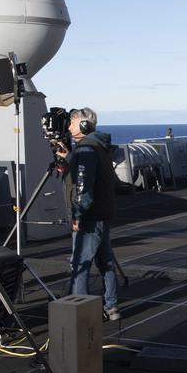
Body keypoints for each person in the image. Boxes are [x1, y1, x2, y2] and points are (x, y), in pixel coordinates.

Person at [58, 107, 121, 321]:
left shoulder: (86, 149)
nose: (68, 127)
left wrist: (77, 215)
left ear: (84, 125)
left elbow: (83, 187)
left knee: (80, 263)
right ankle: (111, 306)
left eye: (72, 123)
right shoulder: (98, 146)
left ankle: (80, 312)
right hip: (102, 214)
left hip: (89, 217)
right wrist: (70, 157)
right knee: (106, 262)